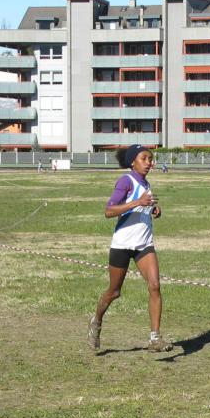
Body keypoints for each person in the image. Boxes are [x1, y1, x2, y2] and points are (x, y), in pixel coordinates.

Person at [88, 144, 173, 352]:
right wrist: (138, 202)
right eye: (145, 158)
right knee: (114, 292)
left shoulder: (146, 183)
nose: (149, 162)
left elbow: (142, 206)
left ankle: (155, 339)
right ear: (133, 161)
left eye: (151, 159)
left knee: (154, 285)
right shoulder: (126, 180)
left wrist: (153, 209)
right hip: (122, 244)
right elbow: (109, 211)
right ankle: (96, 320)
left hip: (144, 244)